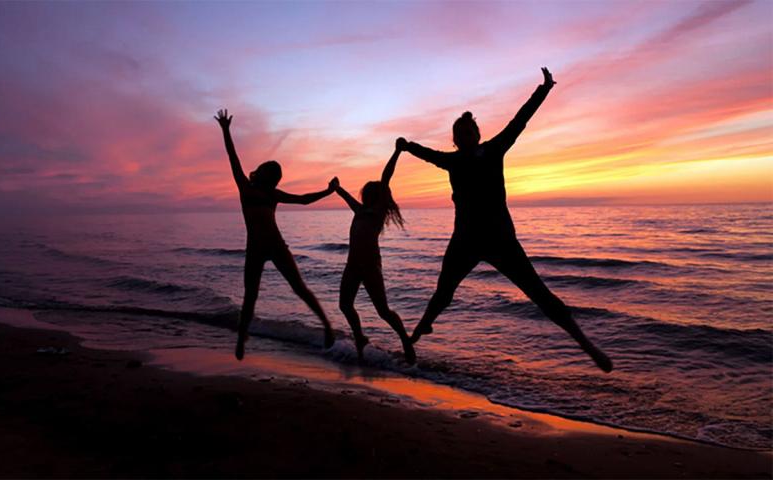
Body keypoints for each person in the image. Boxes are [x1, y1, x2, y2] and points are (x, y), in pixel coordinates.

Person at [400, 68, 612, 372]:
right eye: (459, 136)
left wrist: (545, 88)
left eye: (468, 133)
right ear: (456, 140)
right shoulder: (453, 161)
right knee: (443, 294)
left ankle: (587, 345)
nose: (464, 138)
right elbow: (427, 153)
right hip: (466, 242)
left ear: (477, 134)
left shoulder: (494, 149)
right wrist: (407, 146)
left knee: (540, 295)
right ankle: (418, 333)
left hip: (501, 241)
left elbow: (520, 120)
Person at [215, 109, 336, 361]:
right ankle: (242, 336)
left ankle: (326, 325)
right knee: (251, 295)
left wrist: (328, 192)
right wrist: (226, 131)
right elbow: (232, 157)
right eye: (273, 175)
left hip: (277, 246)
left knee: (298, 287)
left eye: (276, 177)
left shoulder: (273, 194)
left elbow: (303, 200)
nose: (275, 180)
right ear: (265, 174)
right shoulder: (245, 188)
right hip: (255, 249)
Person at [331, 140, 415, 364]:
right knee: (345, 305)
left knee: (383, 311)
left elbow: (386, 177)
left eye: (369, 193)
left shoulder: (378, 212)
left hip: (370, 266)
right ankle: (360, 337)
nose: (365, 196)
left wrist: (397, 151)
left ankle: (406, 341)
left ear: (376, 196)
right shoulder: (360, 210)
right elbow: (347, 198)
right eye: (365, 193)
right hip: (352, 265)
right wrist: (337, 188)